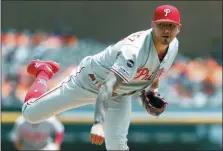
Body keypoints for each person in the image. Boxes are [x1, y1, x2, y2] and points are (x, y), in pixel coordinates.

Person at [22, 4, 182, 150]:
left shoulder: (173, 45)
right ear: (153, 25)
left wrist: (151, 92)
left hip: (118, 95)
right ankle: (44, 71)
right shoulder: (134, 50)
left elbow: (155, 70)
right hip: (88, 82)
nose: (166, 30)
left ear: (178, 28)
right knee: (31, 114)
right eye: (162, 25)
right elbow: (107, 86)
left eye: (171, 26)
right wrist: (99, 124)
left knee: (117, 146)